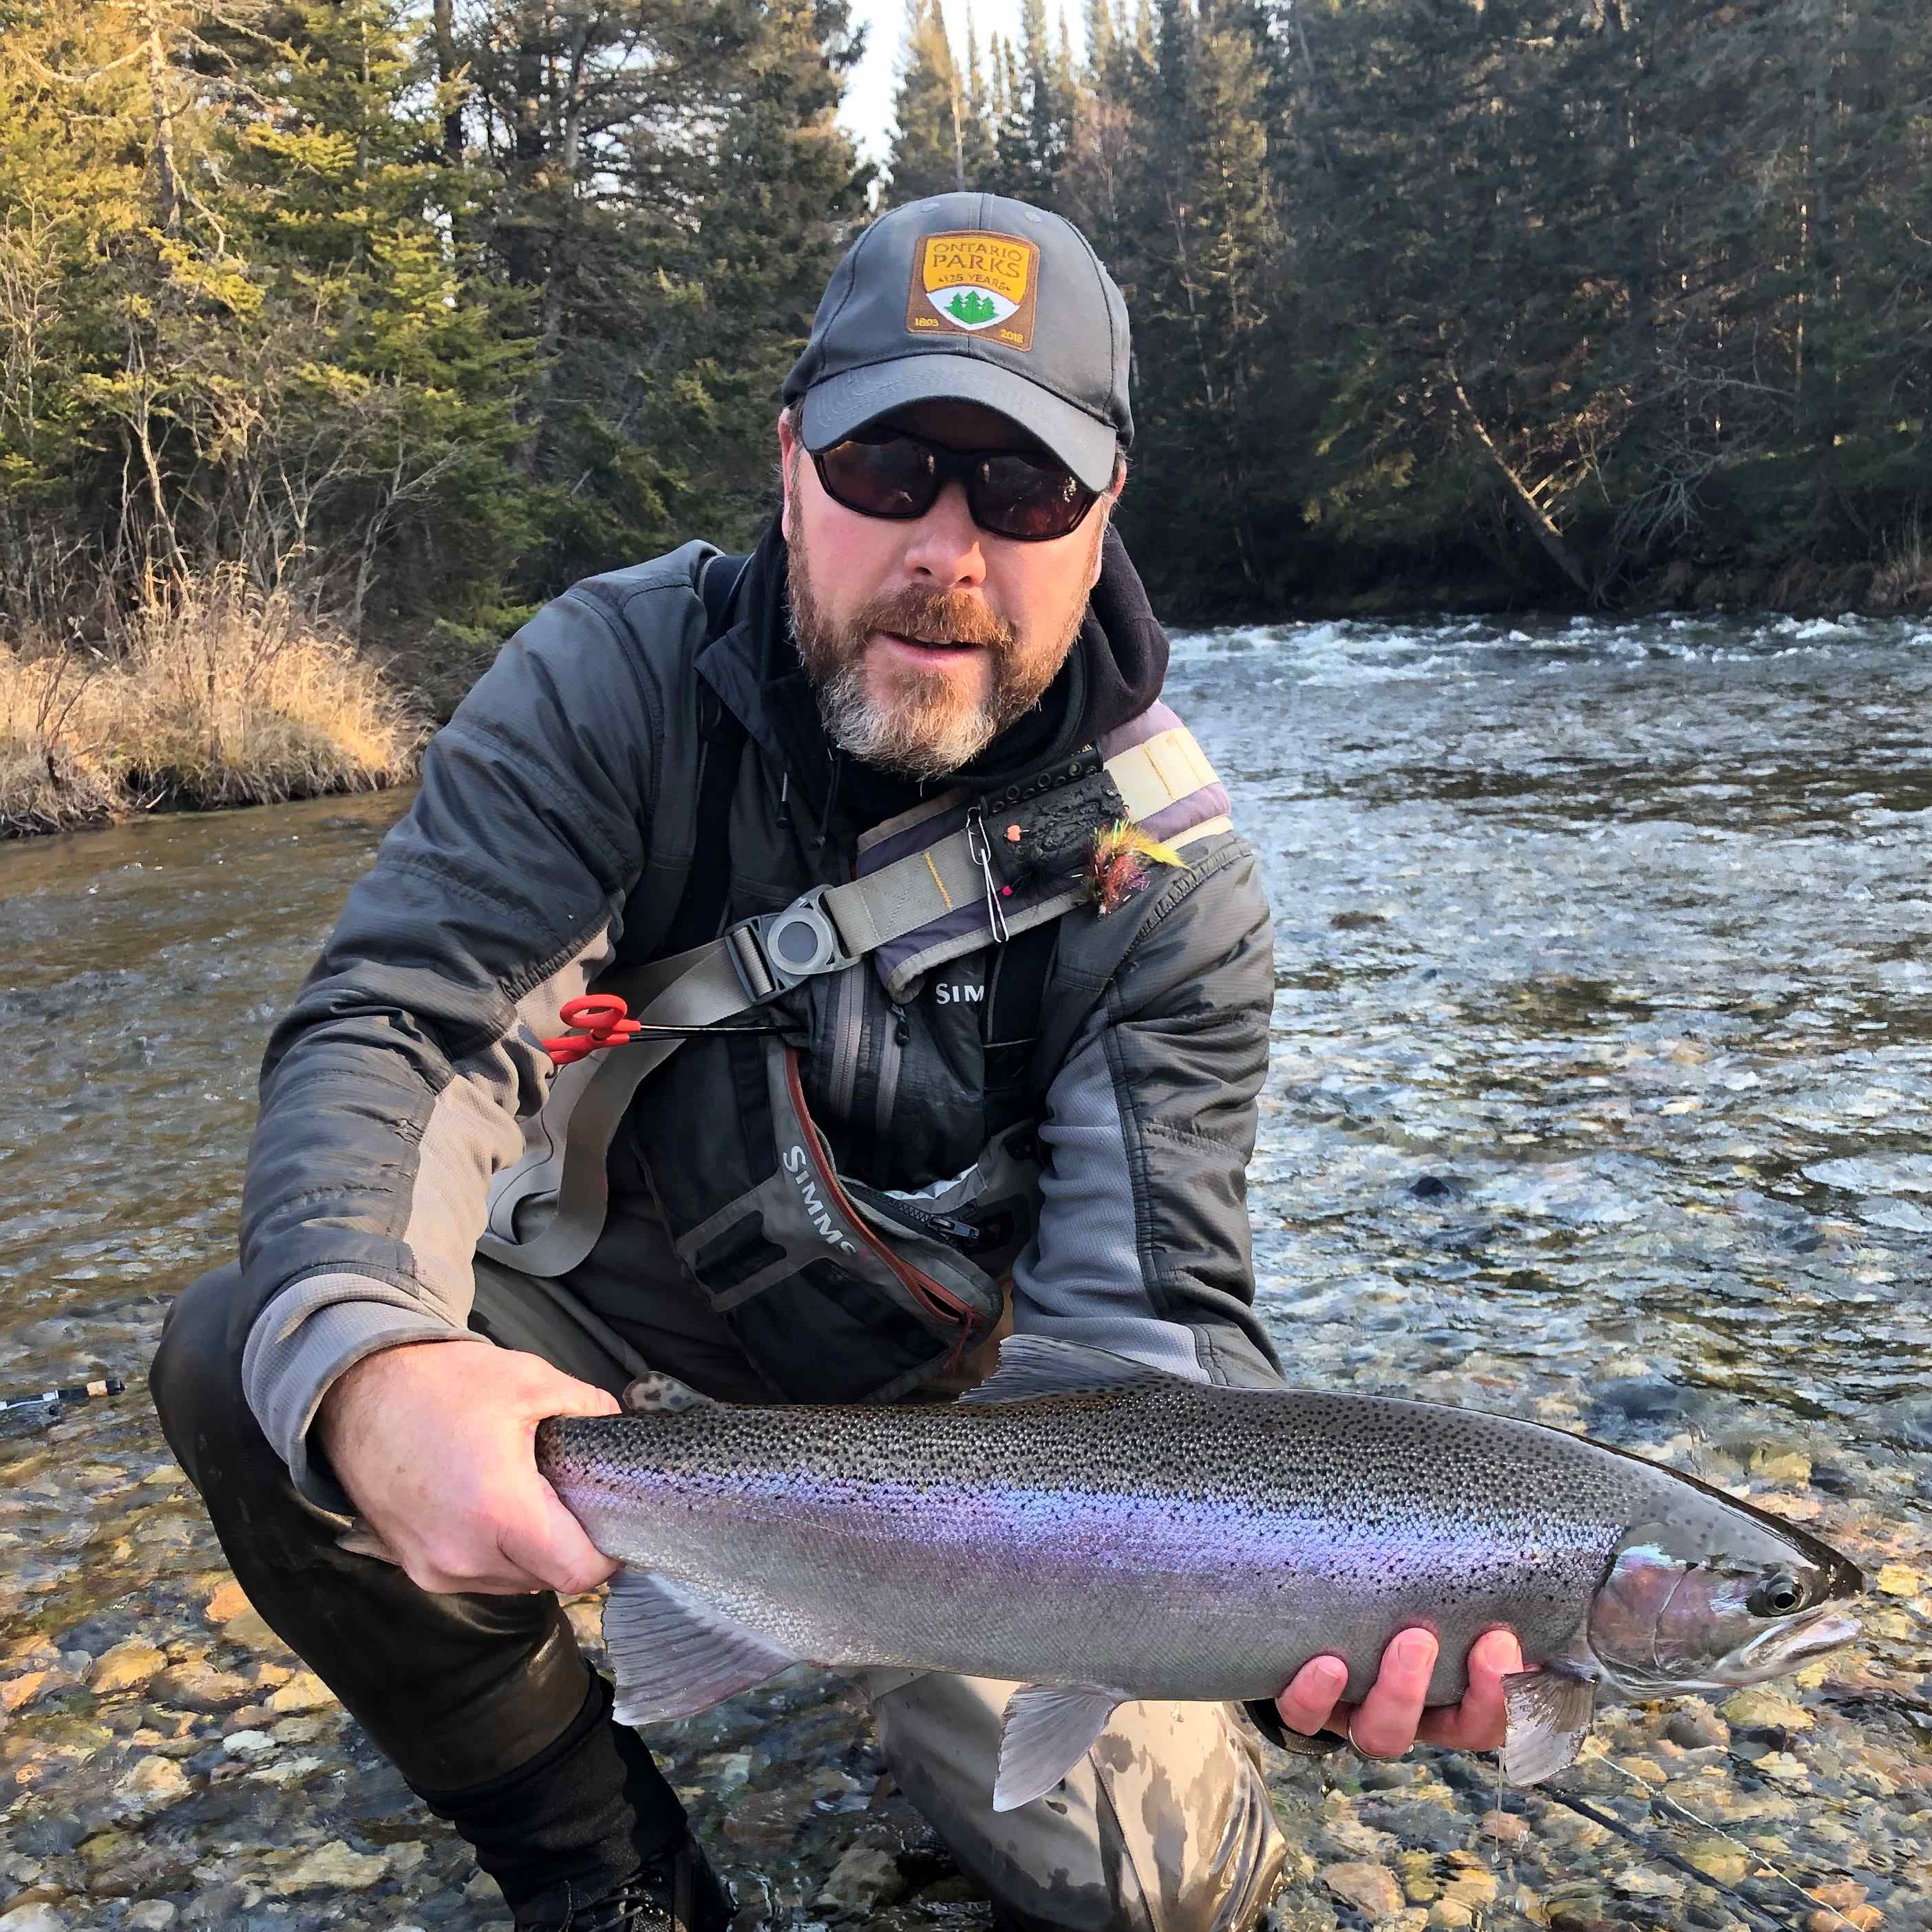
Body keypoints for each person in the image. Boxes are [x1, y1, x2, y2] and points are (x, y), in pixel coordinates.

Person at [151, 192, 1522, 1932]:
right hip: (617, 1335)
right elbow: (405, 1031)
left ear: (1102, 519)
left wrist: (1274, 1641)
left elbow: (1149, 1333)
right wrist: (374, 1372)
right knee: (255, 1358)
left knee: (1159, 1897)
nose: (949, 548)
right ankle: (606, 1878)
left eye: (1020, 492)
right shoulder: (609, 686)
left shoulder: (1172, 882)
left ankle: (908, 1673)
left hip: (971, 1451)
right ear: (794, 464)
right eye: (891, 469)